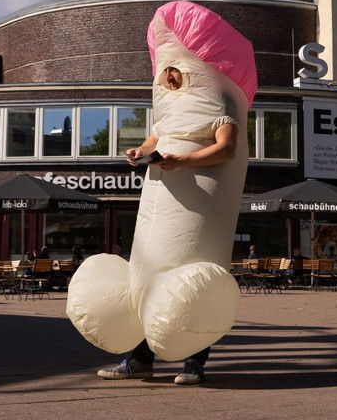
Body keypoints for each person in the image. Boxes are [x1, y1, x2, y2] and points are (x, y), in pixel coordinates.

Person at [97, 64, 239, 385]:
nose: (168, 78)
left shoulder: (218, 106)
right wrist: (139, 151)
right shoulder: (168, 113)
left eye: (175, 71)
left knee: (194, 278)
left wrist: (181, 160)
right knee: (147, 278)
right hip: (161, 205)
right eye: (165, 72)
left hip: (199, 206)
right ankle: (140, 360)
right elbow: (153, 142)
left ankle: (194, 363)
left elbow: (227, 149)